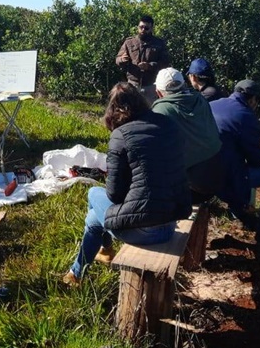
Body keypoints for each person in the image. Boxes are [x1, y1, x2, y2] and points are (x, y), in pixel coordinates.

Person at [63, 82, 189, 286]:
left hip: (144, 231)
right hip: (171, 222)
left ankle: (86, 265)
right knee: (94, 218)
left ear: (113, 110)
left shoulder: (121, 136)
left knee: (94, 194)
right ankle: (84, 266)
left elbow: (113, 195)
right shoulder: (168, 124)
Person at [210, 80, 260, 243]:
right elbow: (255, 156)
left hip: (200, 171)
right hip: (223, 175)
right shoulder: (246, 116)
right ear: (252, 99)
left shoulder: (213, 104)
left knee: (236, 168)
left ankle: (241, 213)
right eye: (257, 101)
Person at [152, 67, 224, 200]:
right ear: (184, 84)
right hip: (220, 174)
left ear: (159, 93)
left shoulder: (161, 111)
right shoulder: (200, 99)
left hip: (194, 189)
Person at [115, 16, 170, 104]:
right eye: (141, 27)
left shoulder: (159, 44)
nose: (143, 30)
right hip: (132, 85)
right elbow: (117, 59)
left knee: (151, 113)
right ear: (138, 27)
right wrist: (122, 59)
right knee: (132, 113)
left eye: (146, 28)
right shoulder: (129, 42)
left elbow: (165, 64)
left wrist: (149, 66)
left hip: (151, 86)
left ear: (152, 28)